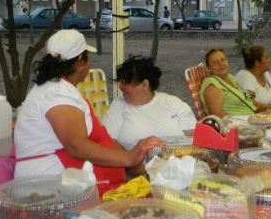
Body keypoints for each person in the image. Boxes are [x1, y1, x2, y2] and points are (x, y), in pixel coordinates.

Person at [13, 30, 162, 193]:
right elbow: (75, 145)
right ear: (80, 61)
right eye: (87, 57)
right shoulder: (56, 93)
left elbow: (100, 140)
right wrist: (129, 157)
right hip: (50, 185)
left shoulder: (59, 89)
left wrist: (138, 166)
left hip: (63, 181)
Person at [102, 55, 196, 150]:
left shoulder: (173, 103)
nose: (121, 87)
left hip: (177, 161)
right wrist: (131, 160)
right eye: (121, 82)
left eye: (126, 82)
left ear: (144, 85)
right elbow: (106, 141)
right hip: (132, 163)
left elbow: (192, 136)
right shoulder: (118, 106)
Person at [200, 48, 259, 117]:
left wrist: (246, 94)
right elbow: (217, 115)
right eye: (215, 62)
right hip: (239, 124)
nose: (221, 64)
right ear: (208, 67)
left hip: (253, 117)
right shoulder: (212, 85)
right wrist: (245, 120)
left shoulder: (229, 77)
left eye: (223, 60)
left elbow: (235, 95)